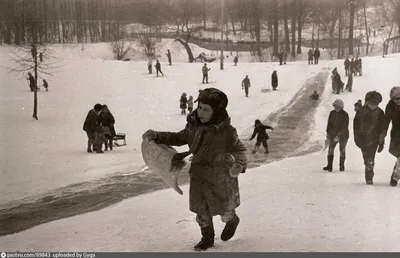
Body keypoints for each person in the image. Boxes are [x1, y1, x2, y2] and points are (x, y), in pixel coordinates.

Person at [142, 88, 247, 251]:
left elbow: (239, 149)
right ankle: (207, 238)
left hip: (220, 174)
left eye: (207, 110)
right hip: (199, 173)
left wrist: (239, 164)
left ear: (216, 112)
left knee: (224, 207)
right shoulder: (193, 127)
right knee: (201, 208)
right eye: (200, 108)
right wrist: (157, 135)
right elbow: (178, 138)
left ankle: (232, 220)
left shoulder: (226, 132)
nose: (201, 113)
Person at [354, 91, 386, 185]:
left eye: (375, 103)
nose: (373, 105)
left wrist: (381, 142)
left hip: (374, 139)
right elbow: (356, 126)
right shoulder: (361, 111)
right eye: (371, 103)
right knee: (366, 158)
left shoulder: (380, 113)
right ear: (367, 102)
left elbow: (382, 128)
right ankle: (369, 171)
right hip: (362, 139)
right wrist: (356, 138)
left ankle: (369, 176)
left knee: (371, 158)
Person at [323, 99, 349, 172]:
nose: (336, 108)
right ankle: (329, 166)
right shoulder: (332, 113)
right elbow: (329, 124)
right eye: (335, 106)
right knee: (330, 149)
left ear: (341, 107)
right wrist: (328, 133)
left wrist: (338, 135)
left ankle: (341, 165)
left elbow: (344, 126)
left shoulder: (345, 114)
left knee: (342, 149)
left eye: (337, 106)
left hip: (343, 136)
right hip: (333, 135)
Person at [382, 86, 400, 187]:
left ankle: (395, 176)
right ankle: (395, 175)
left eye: (399, 98)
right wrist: (382, 135)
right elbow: (386, 121)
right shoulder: (390, 106)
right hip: (396, 133)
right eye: (395, 99)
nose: (397, 101)